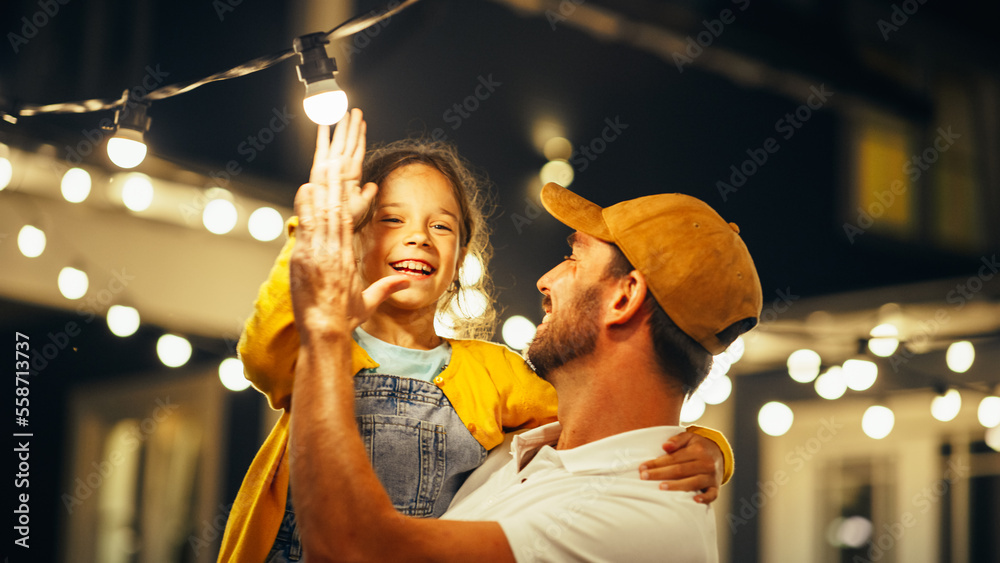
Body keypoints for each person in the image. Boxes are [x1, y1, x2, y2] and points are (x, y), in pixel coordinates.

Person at [218, 110, 735, 563]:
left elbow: (603, 413)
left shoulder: (492, 374)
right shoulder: (314, 349)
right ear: (355, 239)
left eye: (441, 227)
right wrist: (315, 237)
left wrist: (701, 446)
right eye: (391, 219)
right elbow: (263, 353)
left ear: (462, 254)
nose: (417, 235)